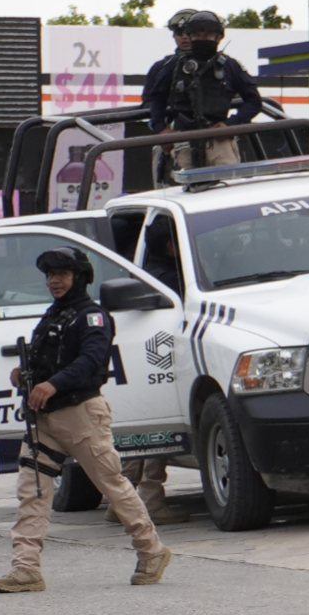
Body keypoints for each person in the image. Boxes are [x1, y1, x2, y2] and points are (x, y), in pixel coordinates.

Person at [0, 247, 172, 593]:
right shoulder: (52, 316)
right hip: (43, 420)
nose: (54, 281)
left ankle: (152, 551)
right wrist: (25, 375)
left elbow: (91, 361)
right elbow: (50, 361)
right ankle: (26, 568)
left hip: (81, 415)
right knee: (32, 491)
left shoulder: (93, 317)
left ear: (79, 277)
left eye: (62, 274)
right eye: (50, 275)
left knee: (113, 485)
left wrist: (52, 383)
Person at [107, 216, 189, 527]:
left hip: (140, 366)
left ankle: (120, 503)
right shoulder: (170, 278)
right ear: (171, 245)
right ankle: (152, 501)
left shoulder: (143, 273)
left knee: (139, 437)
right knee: (160, 436)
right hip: (162, 366)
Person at [146, 10, 262, 169]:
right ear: (190, 36)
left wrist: (230, 124)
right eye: (197, 35)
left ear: (219, 37)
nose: (202, 39)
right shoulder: (174, 65)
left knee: (226, 184)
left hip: (219, 139)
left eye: (207, 35)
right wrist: (161, 129)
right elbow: (156, 98)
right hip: (182, 138)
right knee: (183, 187)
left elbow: (254, 101)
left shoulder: (230, 66)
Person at [142, 9, 195, 187]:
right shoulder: (161, 67)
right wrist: (161, 130)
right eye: (179, 33)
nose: (184, 37)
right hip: (171, 139)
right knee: (166, 192)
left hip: (213, 138)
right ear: (173, 36)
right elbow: (149, 102)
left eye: (189, 32)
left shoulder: (222, 64)